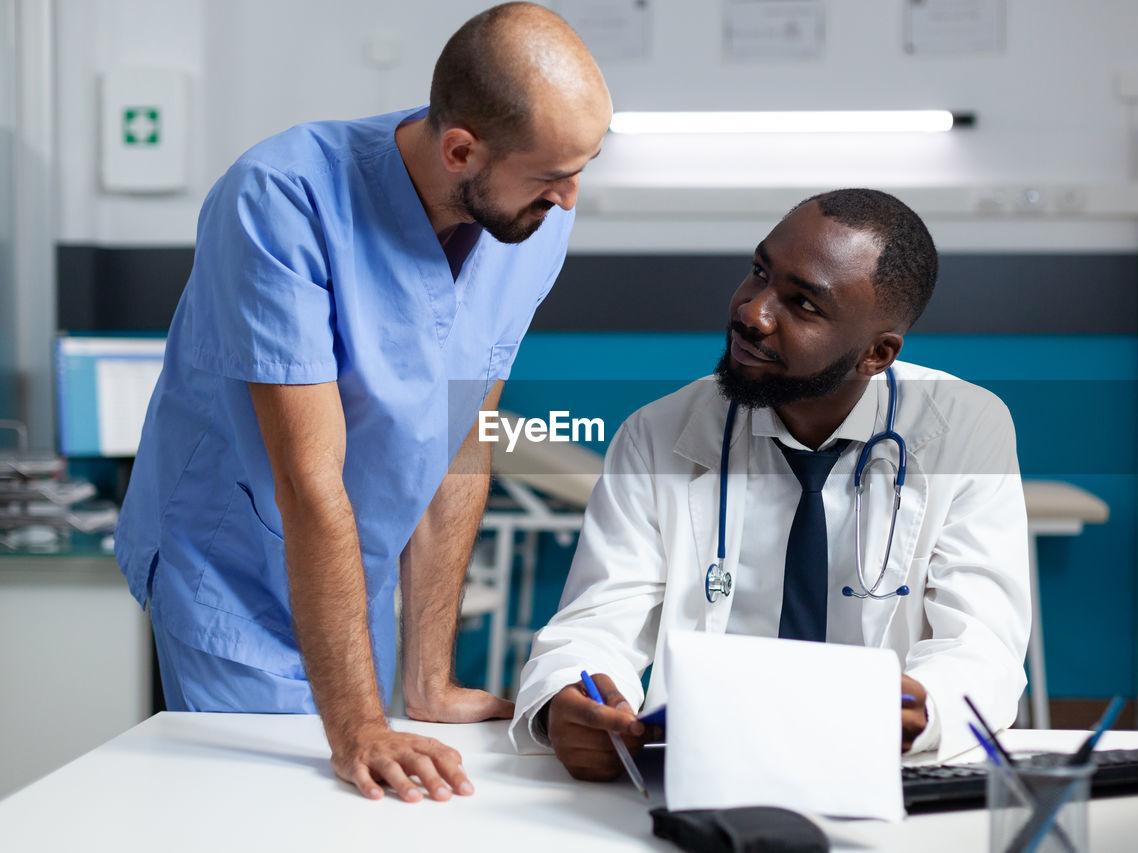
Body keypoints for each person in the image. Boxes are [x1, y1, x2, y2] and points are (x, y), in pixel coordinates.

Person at [114, 3, 612, 803]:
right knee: (278, 811)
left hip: (354, 576)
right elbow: (309, 477)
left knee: (384, 800)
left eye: (584, 166)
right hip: (240, 572)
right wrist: (355, 726)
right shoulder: (280, 199)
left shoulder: (533, 217)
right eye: (552, 175)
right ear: (461, 151)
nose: (570, 197)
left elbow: (462, 437)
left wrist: (429, 679)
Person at [510, 189, 1031, 775]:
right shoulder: (656, 434)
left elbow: (983, 643)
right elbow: (597, 621)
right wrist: (569, 698)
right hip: (702, 765)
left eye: (803, 304)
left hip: (877, 767)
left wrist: (925, 708)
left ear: (877, 354)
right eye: (759, 271)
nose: (752, 312)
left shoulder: (963, 429)